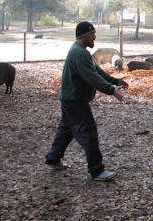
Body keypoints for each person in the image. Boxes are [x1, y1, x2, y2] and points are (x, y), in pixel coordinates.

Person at [45, 21, 129, 181]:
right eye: (93, 34)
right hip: (75, 102)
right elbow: (91, 77)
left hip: (70, 100)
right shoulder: (78, 54)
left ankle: (53, 158)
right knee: (89, 133)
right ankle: (97, 171)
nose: (95, 37)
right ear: (84, 35)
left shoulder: (82, 52)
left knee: (66, 130)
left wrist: (114, 81)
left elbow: (96, 70)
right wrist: (111, 90)